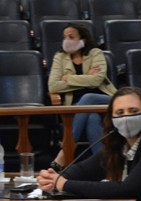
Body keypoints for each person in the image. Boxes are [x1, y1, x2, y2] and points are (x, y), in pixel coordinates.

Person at [48, 21, 114, 168]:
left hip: (105, 101)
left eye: (71, 37)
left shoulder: (95, 53)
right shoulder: (60, 57)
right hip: (78, 107)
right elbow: (53, 86)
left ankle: (65, 150)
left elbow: (96, 80)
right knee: (91, 117)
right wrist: (86, 77)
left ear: (82, 39)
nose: (67, 40)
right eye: (64, 37)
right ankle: (105, 166)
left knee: (88, 97)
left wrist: (68, 78)